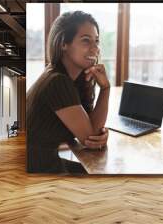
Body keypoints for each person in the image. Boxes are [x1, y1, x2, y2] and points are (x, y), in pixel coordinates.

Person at [26, 11, 110, 174]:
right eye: (86, 40)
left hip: (44, 162)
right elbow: (89, 138)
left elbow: (92, 132)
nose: (95, 48)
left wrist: (100, 135)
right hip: (37, 170)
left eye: (97, 41)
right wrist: (105, 89)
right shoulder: (58, 81)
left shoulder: (69, 78)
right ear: (63, 43)